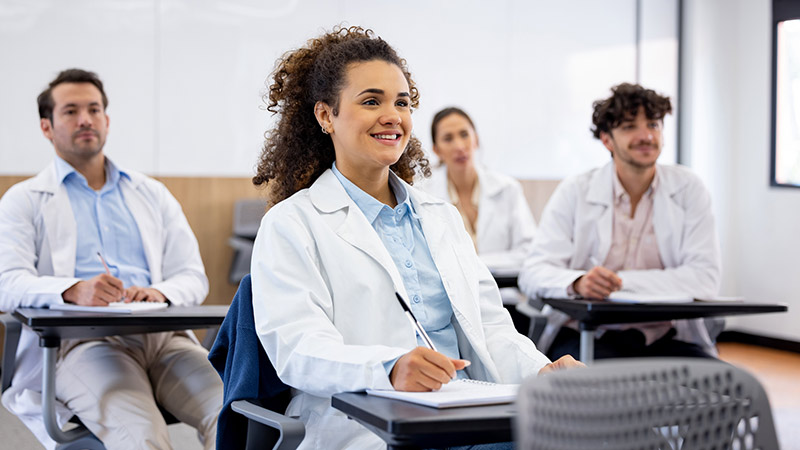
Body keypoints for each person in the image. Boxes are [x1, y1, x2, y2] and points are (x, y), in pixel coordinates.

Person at [250, 26, 581, 450]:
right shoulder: (292, 223)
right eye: (372, 101)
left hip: (468, 414)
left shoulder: (441, 217)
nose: (393, 116)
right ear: (325, 116)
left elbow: (492, 329)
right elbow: (298, 349)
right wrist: (388, 368)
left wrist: (540, 371)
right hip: (366, 423)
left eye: (402, 103)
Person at [0, 69, 222, 449]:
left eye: (94, 109)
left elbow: (192, 276)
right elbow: (6, 284)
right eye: (70, 111)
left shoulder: (151, 193)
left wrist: (159, 293)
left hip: (165, 339)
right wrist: (73, 291)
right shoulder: (24, 200)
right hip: (85, 343)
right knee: (140, 435)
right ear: (47, 127)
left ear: (106, 119)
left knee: (234, 417)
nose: (85, 119)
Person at [518, 83, 722, 361]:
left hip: (663, 337)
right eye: (629, 126)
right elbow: (532, 271)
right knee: (607, 392)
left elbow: (704, 278)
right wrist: (578, 283)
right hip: (587, 335)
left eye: (653, 124)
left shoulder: (688, 188)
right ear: (606, 139)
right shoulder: (576, 190)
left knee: (731, 393)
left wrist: (619, 284)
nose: (646, 135)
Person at [417, 108, 536, 309]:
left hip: (504, 300)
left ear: (476, 139)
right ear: (436, 149)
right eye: (448, 138)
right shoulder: (422, 194)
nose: (459, 146)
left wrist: (473, 263)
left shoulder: (507, 189)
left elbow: (528, 252)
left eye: (464, 135)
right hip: (451, 302)